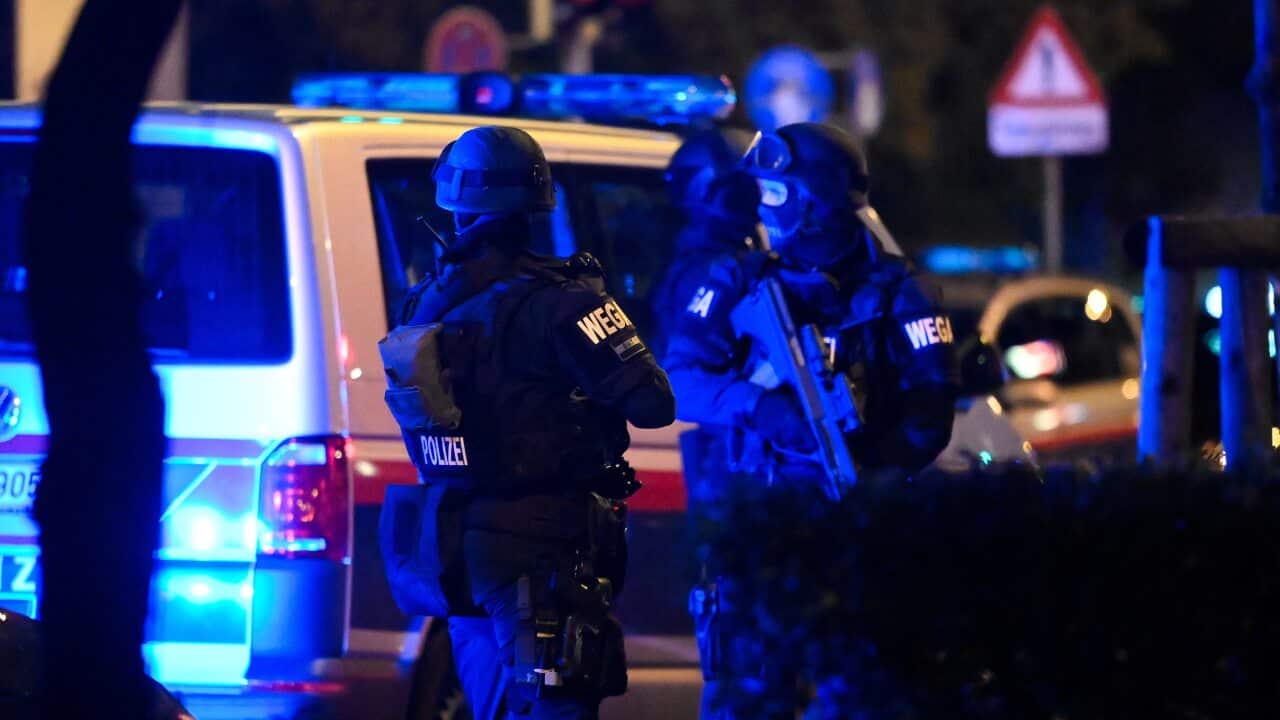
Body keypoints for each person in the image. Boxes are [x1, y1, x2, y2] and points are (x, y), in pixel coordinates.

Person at [663, 122, 959, 717]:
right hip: (755, 532)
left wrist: (867, 469)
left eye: (777, 195)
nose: (763, 211)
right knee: (744, 696)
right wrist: (758, 406)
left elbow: (930, 418)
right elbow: (678, 380)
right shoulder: (738, 279)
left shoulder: (902, 295)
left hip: (858, 533)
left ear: (817, 202)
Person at [381, 125, 675, 720]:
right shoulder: (567, 303)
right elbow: (653, 405)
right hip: (542, 546)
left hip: (456, 546)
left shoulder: (422, 304)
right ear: (537, 203)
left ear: (456, 206)